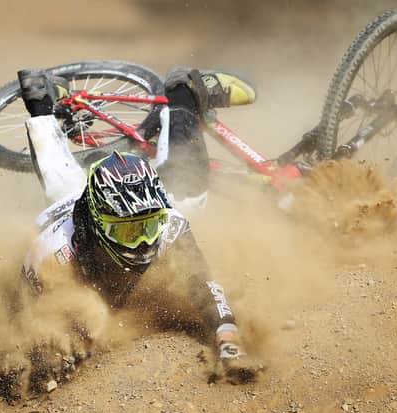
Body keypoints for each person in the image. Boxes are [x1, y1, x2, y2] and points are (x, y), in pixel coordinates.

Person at [17, 69, 263, 387]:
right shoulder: (55, 250)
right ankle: (42, 105)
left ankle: (183, 93)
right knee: (57, 176)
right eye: (127, 232)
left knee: (188, 181)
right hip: (69, 203)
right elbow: (26, 311)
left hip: (130, 200)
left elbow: (203, 284)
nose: (143, 242)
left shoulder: (168, 224)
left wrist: (228, 340)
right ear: (97, 223)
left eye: (148, 227)